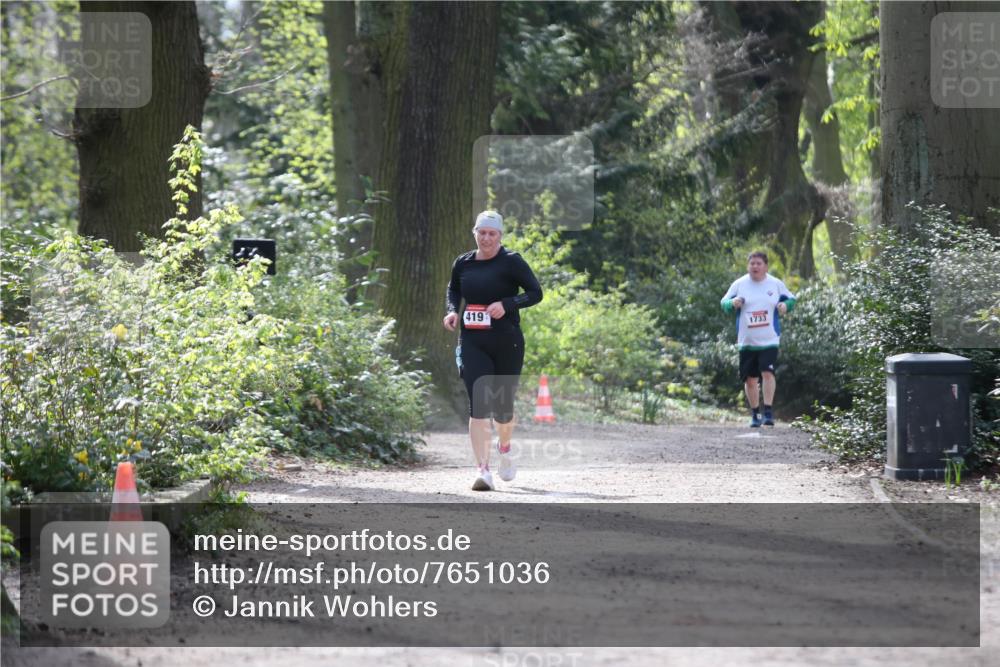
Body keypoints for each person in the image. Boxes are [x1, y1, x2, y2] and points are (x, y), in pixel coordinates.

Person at [443, 211, 543, 491]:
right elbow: (453, 290)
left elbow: (536, 293)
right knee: (479, 406)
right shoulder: (463, 263)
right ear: (474, 233)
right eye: (482, 232)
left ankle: (506, 447)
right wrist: (452, 312)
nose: (486, 238)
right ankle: (482, 471)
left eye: (492, 233)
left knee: (503, 409)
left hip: (507, 341)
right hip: (473, 341)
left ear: (499, 236)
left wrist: (508, 304)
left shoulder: (512, 262)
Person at [720, 251, 797, 427]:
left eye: (758, 263)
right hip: (746, 341)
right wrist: (732, 304)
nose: (754, 267)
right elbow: (723, 302)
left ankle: (768, 411)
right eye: (752, 263)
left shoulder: (775, 283)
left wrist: (785, 305)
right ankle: (755, 413)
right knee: (750, 379)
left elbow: (791, 299)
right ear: (748, 266)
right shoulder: (739, 284)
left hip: (769, 339)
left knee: (767, 372)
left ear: (765, 266)